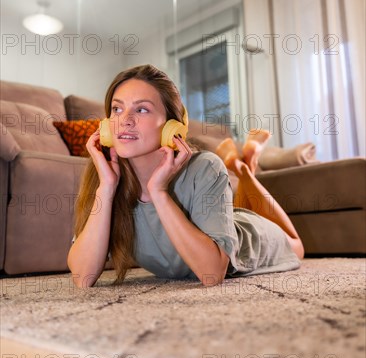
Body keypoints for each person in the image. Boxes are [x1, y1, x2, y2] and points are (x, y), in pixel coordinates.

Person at [67, 64, 304, 288]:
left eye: (141, 109)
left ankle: (244, 170)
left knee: (298, 246)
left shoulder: (205, 167)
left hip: (250, 239)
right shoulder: (106, 175)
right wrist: (106, 188)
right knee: (230, 211)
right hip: (216, 216)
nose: (124, 120)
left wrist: (159, 193)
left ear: (173, 127)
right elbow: (82, 277)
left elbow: (211, 274)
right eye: (117, 109)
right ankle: (243, 163)